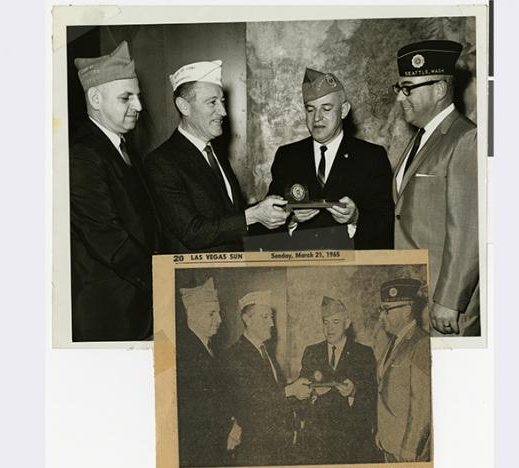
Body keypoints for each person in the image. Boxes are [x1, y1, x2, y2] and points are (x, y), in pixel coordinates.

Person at [144, 60, 289, 252]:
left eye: (222, 102)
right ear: (183, 106)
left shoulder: (214, 153)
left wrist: (277, 211)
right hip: (196, 280)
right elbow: (192, 232)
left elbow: (229, 218)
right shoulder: (161, 162)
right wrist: (253, 215)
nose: (223, 111)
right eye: (212, 102)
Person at [69, 41, 160, 341]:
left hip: (137, 307)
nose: (139, 106)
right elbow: (110, 240)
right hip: (110, 317)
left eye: (138, 96)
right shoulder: (82, 153)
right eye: (126, 98)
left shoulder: (119, 145)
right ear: (95, 98)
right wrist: (165, 281)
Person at [392, 40, 480, 336]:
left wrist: (449, 301)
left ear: (439, 89)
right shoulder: (422, 138)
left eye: (408, 88)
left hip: (443, 307)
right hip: (418, 297)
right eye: (399, 89)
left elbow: (468, 229)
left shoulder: (465, 139)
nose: (400, 98)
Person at [263, 67, 393, 251]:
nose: (317, 118)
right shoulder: (288, 156)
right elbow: (267, 221)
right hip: (299, 269)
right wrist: (290, 218)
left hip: (353, 268)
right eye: (310, 110)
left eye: (326, 108)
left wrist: (356, 217)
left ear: (344, 110)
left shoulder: (371, 157)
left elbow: (387, 222)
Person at [224, 291, 311, 466]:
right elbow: (251, 402)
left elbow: (272, 392)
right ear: (246, 319)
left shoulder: (264, 351)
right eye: (264, 317)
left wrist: (298, 389)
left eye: (270, 317)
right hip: (256, 450)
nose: (271, 323)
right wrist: (290, 390)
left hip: (275, 447)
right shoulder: (236, 355)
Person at [296, 297, 378, 465]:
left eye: (335, 322)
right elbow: (300, 393)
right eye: (325, 323)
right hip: (317, 442)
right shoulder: (311, 352)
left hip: (351, 442)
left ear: (347, 323)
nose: (329, 328)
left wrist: (353, 393)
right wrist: (312, 394)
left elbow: (373, 395)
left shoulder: (363, 353)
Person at [176, 278, 240, 467]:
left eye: (218, 313)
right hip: (202, 450)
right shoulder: (184, 353)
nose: (219, 320)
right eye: (212, 314)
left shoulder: (209, 348)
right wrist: (228, 429)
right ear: (192, 314)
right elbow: (197, 409)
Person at [375, 279, 432, 463]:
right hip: (389, 443)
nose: (382, 317)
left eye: (387, 310)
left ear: (406, 310)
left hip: (406, 451)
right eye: (381, 310)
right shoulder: (394, 341)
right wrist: (382, 433)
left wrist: (410, 447)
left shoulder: (421, 343)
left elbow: (422, 403)